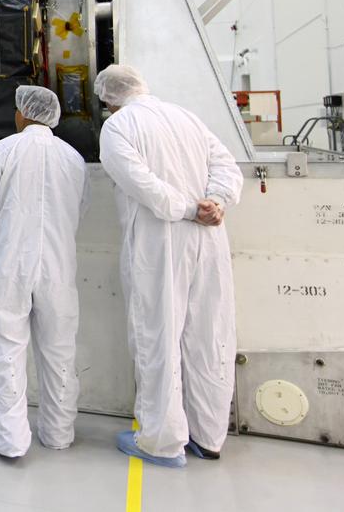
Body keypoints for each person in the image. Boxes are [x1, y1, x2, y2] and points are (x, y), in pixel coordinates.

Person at [94, 64, 243, 468]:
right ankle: (209, 436)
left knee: (157, 336)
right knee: (209, 334)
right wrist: (216, 202)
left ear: (109, 99)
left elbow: (140, 184)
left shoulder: (118, 127)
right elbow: (227, 167)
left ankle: (161, 441)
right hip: (209, 239)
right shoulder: (187, 117)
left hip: (161, 241)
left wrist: (189, 208)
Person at [0, 85, 88, 459]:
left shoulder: (2, 151)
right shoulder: (73, 158)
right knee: (59, 352)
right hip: (58, 267)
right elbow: (77, 212)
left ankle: (12, 441)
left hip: (11, 266)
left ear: (22, 114)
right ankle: (58, 433)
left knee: (7, 350)